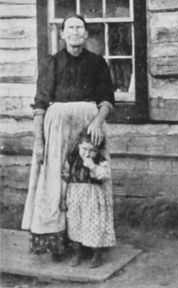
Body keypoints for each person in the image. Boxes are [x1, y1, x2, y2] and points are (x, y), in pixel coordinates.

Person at [22, 14, 115, 261]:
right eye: (70, 28)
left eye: (80, 28)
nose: (75, 32)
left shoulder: (97, 63)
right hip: (56, 129)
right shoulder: (52, 63)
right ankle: (58, 243)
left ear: (86, 34)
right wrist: (39, 141)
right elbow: (40, 104)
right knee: (55, 183)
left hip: (88, 127)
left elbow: (106, 99)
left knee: (89, 182)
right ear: (62, 34)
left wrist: (97, 121)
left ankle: (91, 243)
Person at [61, 128, 116, 268]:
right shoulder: (72, 159)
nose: (87, 153)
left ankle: (96, 255)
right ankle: (76, 253)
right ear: (79, 144)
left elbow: (103, 175)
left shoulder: (99, 160)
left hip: (92, 197)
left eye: (91, 150)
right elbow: (65, 178)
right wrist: (63, 198)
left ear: (97, 149)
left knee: (93, 225)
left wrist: (91, 165)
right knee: (75, 223)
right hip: (75, 196)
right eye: (84, 148)